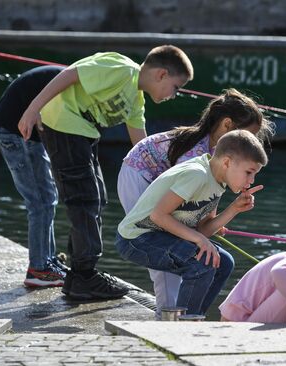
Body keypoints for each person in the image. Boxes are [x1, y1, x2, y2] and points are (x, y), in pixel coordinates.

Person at [18, 45, 194, 300]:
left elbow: (141, 145)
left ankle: (79, 274)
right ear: (161, 74)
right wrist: (33, 108)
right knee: (84, 199)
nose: (174, 95)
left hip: (84, 133)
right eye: (176, 87)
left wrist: (164, 180)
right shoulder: (121, 70)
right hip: (64, 124)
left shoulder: (136, 98)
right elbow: (71, 74)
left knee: (97, 198)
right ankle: (84, 276)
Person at [117, 88, 274, 319]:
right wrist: (198, 237)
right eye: (249, 172)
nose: (251, 181)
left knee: (216, 259)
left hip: (167, 205)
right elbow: (161, 216)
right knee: (187, 258)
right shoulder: (197, 168)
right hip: (139, 196)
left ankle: (192, 316)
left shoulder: (218, 174)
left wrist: (229, 212)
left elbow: (202, 226)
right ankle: (175, 318)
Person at [0, 65, 68, 287]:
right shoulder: (73, 83)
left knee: (48, 197)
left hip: (29, 133)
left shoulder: (74, 78)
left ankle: (49, 261)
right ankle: (38, 269)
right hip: (13, 131)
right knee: (39, 202)